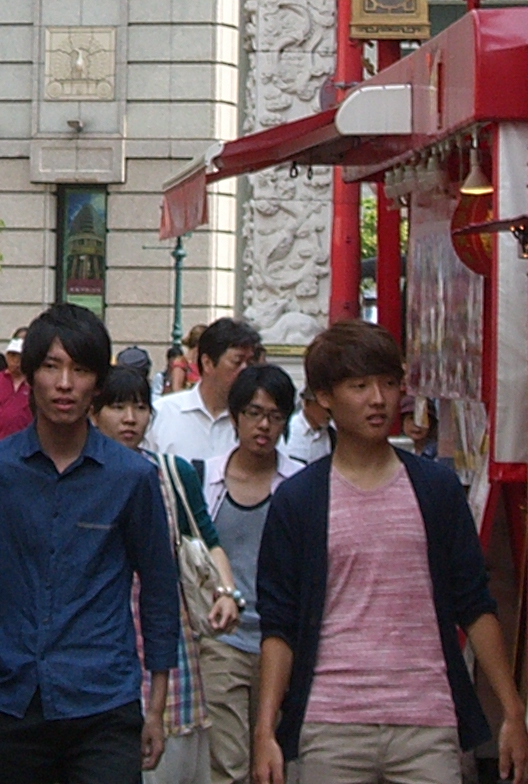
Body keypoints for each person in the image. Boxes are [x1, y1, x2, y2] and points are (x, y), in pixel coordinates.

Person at [249, 321, 528, 784]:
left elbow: (474, 603)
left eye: (388, 383)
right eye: (359, 386)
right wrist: (265, 731)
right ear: (325, 396)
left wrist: (513, 711)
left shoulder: (436, 489)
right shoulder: (299, 500)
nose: (378, 399)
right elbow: (279, 624)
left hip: (427, 719)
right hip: (331, 722)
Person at [0, 305, 180, 784]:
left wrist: (155, 707)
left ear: (98, 383)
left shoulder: (131, 477)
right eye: (51, 367)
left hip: (104, 700)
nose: (65, 384)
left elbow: (158, 590)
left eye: (81, 370)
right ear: (30, 375)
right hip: (12, 698)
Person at [93, 364, 239, 784]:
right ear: (94, 413)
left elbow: (207, 539)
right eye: (117, 407)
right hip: (100, 640)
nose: (130, 418)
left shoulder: (172, 473)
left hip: (166, 636)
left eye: (140, 407)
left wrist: (226, 592)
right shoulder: (80, 476)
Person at [200, 364, 297, 784]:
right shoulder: (205, 479)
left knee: (275, 762)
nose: (264, 426)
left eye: (275, 416)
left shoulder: (299, 485)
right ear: (235, 416)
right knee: (228, 763)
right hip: (223, 640)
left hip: (283, 641)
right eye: (254, 413)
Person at [149, 319, 264, 467]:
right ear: (207, 363)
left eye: (250, 363)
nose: (245, 371)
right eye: (237, 362)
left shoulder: (260, 422)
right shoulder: (162, 414)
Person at [279, 382, 333, 471]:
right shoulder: (288, 429)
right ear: (307, 403)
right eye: (324, 408)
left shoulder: (332, 436)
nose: (329, 413)